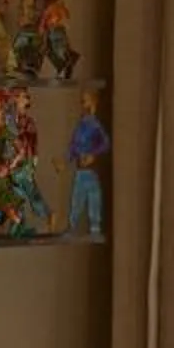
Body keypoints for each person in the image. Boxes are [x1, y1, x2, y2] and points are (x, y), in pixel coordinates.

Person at [66, 90, 110, 238]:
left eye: (85, 101)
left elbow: (105, 144)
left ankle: (95, 228)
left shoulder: (95, 125)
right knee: (77, 199)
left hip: (90, 170)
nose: (83, 105)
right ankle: (72, 226)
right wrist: (68, 158)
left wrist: (93, 154)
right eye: (82, 102)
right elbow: (73, 144)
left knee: (94, 199)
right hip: (81, 170)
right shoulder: (81, 124)